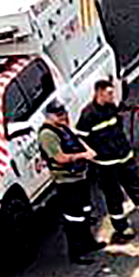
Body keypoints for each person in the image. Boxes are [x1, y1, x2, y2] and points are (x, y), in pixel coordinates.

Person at [80, 78, 139, 242]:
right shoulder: (88, 115)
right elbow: (80, 138)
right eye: (109, 93)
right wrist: (91, 154)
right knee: (114, 196)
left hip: (124, 158)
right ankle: (122, 227)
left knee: (138, 189)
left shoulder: (111, 108)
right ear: (99, 93)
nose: (112, 96)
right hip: (106, 165)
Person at [36, 102, 101, 264]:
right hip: (66, 180)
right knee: (74, 218)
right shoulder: (47, 135)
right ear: (48, 116)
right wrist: (83, 155)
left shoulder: (62, 127)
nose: (63, 116)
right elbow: (60, 158)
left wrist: (87, 151)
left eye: (63, 112)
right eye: (58, 114)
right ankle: (77, 252)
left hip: (79, 176)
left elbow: (76, 140)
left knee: (85, 211)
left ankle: (89, 242)